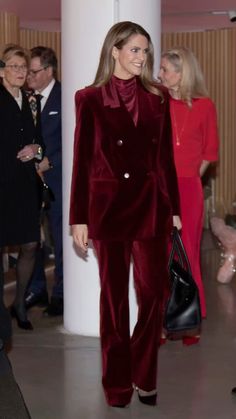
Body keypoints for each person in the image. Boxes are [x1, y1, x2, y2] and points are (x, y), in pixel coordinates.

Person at [69, 21, 181, 408]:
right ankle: (117, 380)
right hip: (109, 210)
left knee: (153, 293)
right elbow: (81, 161)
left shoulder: (159, 97)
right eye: (134, 49)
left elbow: (165, 158)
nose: (142, 57)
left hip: (151, 207)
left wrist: (175, 210)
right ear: (114, 51)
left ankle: (144, 372)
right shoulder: (90, 98)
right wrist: (78, 217)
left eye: (145, 51)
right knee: (114, 301)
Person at [158, 46, 219, 345]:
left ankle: (190, 319)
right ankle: (161, 320)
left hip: (189, 188)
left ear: (182, 73)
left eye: (165, 70)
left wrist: (192, 176)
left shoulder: (205, 105)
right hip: (160, 187)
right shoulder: (156, 102)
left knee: (188, 252)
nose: (159, 74)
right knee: (159, 255)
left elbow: (210, 152)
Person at [0, 44, 44, 330]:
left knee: (31, 244)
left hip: (26, 183)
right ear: (2, 70)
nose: (19, 72)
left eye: (23, 67)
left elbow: (40, 141)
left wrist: (35, 149)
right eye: (14, 66)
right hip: (1, 183)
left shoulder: (31, 101)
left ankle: (18, 303)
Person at [25, 46, 63, 316]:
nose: (29, 76)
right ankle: (36, 288)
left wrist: (51, 160)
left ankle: (60, 294)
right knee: (30, 237)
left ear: (49, 71)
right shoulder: (27, 100)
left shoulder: (64, 97)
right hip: (30, 181)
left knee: (59, 236)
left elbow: (73, 138)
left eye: (34, 71)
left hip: (56, 180)